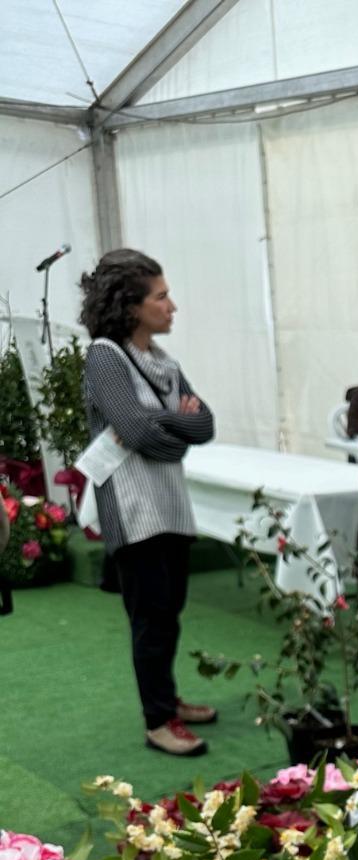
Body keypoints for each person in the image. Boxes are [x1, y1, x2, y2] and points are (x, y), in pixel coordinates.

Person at [80, 249, 216, 757]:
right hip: (133, 509)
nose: (172, 305)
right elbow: (136, 431)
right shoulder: (104, 357)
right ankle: (158, 720)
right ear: (132, 306)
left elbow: (206, 425)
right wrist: (173, 425)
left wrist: (166, 427)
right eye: (161, 297)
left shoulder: (163, 360)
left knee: (170, 610)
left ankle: (168, 699)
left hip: (169, 505)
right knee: (150, 616)